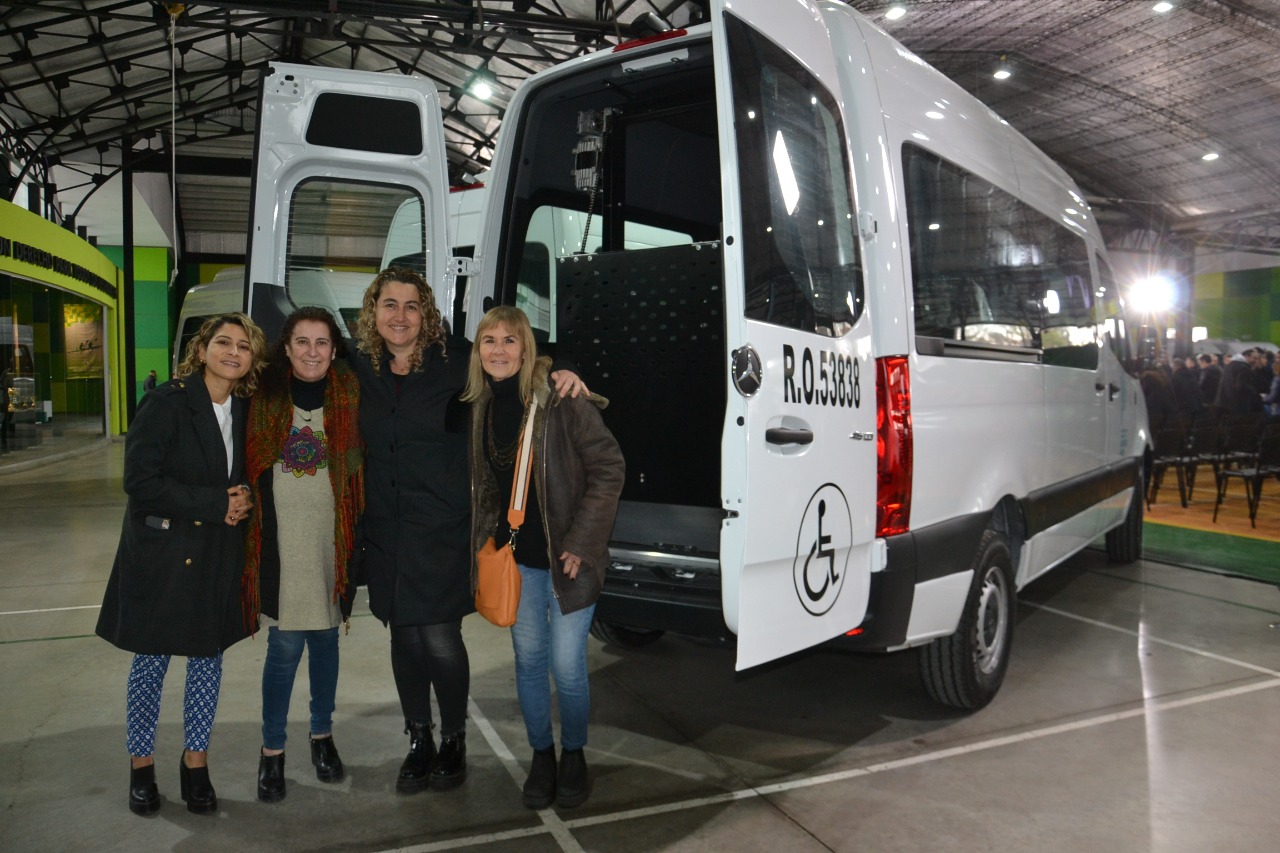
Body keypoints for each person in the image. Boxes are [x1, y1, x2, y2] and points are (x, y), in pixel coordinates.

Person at [350, 268, 586, 794]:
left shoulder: (457, 359)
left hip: (444, 526)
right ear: (373, 312)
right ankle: (419, 738)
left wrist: (566, 367)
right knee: (404, 637)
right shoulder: (360, 365)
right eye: (389, 305)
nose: (400, 316)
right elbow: (306, 359)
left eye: (412, 306)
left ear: (426, 313)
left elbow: (523, 348)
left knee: (438, 637)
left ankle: (453, 739)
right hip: (386, 528)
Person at [96, 312, 266, 817]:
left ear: (252, 359)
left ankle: (196, 763)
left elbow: (244, 474)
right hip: (164, 556)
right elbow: (140, 482)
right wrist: (216, 504)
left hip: (216, 554)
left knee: (207, 661)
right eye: (223, 342)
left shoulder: (247, 409)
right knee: (150, 663)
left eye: (243, 346)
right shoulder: (167, 402)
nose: (232, 352)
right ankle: (141, 766)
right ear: (202, 349)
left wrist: (244, 497)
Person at [464, 306, 624, 810]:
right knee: (529, 663)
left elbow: (609, 468)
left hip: (570, 558)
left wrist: (583, 541)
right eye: (488, 341)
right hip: (518, 562)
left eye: (509, 340)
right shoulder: (480, 407)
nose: (498, 350)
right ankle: (541, 755)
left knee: (566, 665)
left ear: (526, 349)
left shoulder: (560, 399)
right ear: (478, 351)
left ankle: (573, 752)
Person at [241, 307, 364, 803]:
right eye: (302, 342)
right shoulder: (262, 395)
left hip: (331, 542)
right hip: (281, 542)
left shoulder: (352, 394)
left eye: (322, 342)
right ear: (286, 348)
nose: (312, 352)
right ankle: (272, 749)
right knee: (286, 646)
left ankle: (321, 735)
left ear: (335, 350)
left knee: (327, 640)